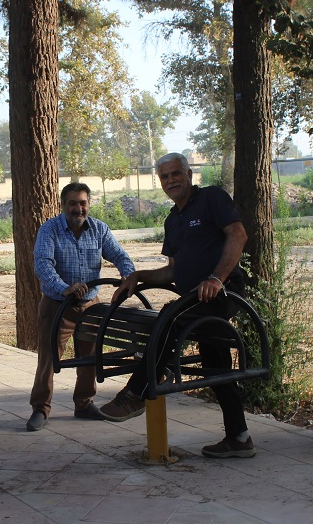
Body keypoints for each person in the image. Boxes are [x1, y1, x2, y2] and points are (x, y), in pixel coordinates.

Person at [99, 152, 256, 459]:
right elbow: (172, 271)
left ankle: (135, 394)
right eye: (165, 176)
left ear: (189, 175)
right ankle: (239, 437)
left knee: (169, 318)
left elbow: (238, 235)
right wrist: (138, 276)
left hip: (222, 293)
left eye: (176, 174)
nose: (171, 180)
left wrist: (217, 278)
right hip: (195, 300)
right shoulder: (172, 220)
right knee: (216, 365)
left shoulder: (211, 198)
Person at [27, 182, 135, 431]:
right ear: (63, 205)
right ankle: (40, 408)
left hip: (90, 306)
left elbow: (119, 255)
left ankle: (84, 404)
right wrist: (64, 287)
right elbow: (42, 264)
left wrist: (129, 276)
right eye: (73, 203)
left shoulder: (99, 229)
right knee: (48, 359)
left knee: (89, 357)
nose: (78, 208)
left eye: (83, 203)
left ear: (89, 204)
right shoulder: (50, 229)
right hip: (57, 305)